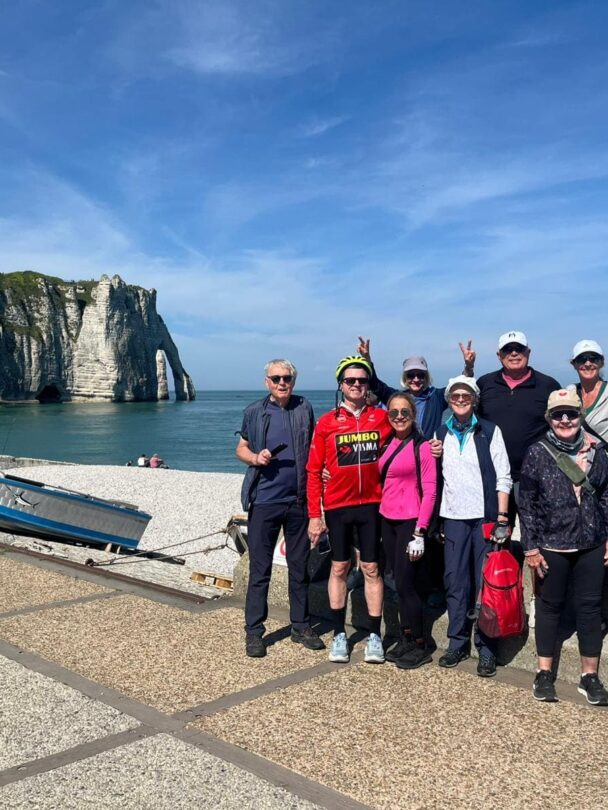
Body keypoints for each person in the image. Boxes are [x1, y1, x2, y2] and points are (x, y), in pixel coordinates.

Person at [519, 389, 608, 705]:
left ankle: (589, 676)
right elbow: (527, 503)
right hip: (551, 545)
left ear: (580, 416)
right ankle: (544, 673)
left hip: (591, 543)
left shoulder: (598, 450)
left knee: (590, 609)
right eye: (558, 414)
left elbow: (606, 495)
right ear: (549, 418)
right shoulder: (537, 453)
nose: (565, 420)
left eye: (571, 413)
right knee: (549, 608)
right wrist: (530, 548)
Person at [236, 359, 325, 658]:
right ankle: (254, 632)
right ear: (267, 382)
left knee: (299, 568)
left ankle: (301, 626)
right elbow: (241, 448)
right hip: (264, 501)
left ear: (293, 381)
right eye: (276, 378)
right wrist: (255, 458)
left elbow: (314, 446)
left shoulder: (304, 407)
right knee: (259, 569)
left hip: (298, 500)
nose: (282, 383)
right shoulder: (254, 411)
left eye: (286, 378)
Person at [307, 355, 392, 664]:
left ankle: (374, 635)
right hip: (338, 506)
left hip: (372, 506)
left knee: (371, 569)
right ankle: (339, 634)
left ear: (368, 385)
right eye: (350, 380)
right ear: (341, 385)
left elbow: (407, 443)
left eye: (362, 380)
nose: (356, 384)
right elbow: (313, 471)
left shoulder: (382, 418)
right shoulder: (326, 422)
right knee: (340, 567)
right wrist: (314, 516)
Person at [436, 375, 512, 677]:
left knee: (485, 585)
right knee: (455, 582)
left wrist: (502, 517)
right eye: (455, 395)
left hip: (485, 518)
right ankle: (457, 642)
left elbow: (503, 475)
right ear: (449, 400)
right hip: (453, 517)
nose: (460, 400)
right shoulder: (440, 432)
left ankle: (486, 648)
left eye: (466, 395)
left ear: (474, 399)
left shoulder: (490, 431)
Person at [476, 331, 560, 524]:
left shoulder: (548, 385)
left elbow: (565, 425)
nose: (514, 353)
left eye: (519, 348)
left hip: (535, 476)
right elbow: (466, 415)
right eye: (508, 349)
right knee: (495, 533)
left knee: (536, 531)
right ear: (499, 355)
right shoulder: (485, 383)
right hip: (494, 475)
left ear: (528, 352)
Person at [379, 391, 437, 669]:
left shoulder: (422, 447)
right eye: (394, 412)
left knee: (406, 584)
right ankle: (406, 636)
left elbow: (431, 491)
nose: (399, 417)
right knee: (397, 583)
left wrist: (420, 532)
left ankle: (420, 643)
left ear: (413, 415)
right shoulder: (386, 443)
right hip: (387, 519)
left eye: (405, 412)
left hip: (410, 521)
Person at [356, 337, 476, 438]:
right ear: (405, 378)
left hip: (429, 452)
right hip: (405, 451)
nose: (416, 379)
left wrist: (468, 367)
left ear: (426, 377)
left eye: (420, 375)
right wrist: (367, 360)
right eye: (411, 375)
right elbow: (376, 385)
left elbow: (460, 385)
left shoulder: (437, 397)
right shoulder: (397, 397)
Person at [568, 340, 608, 441]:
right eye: (581, 360)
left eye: (594, 359)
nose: (588, 363)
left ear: (602, 362)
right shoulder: (569, 392)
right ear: (574, 364)